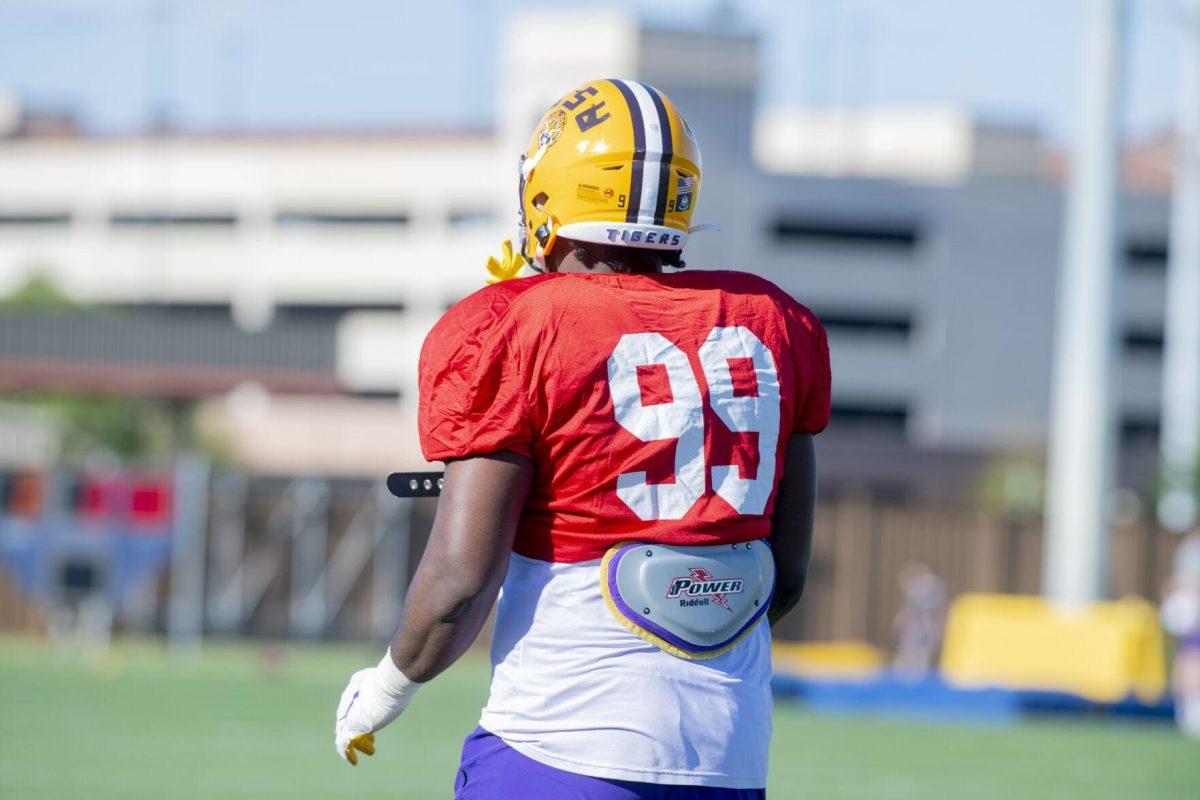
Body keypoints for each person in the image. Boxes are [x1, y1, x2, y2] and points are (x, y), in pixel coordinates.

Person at [333, 78, 831, 798]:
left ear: (548, 198)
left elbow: (459, 583)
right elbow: (784, 575)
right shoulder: (773, 323)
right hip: (732, 756)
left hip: (560, 745)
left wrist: (386, 686)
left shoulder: (518, 323)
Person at [1162, 529, 1200, 738]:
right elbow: (1182, 583)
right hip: (1193, 613)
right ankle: (1189, 712)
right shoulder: (1192, 550)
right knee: (1191, 656)